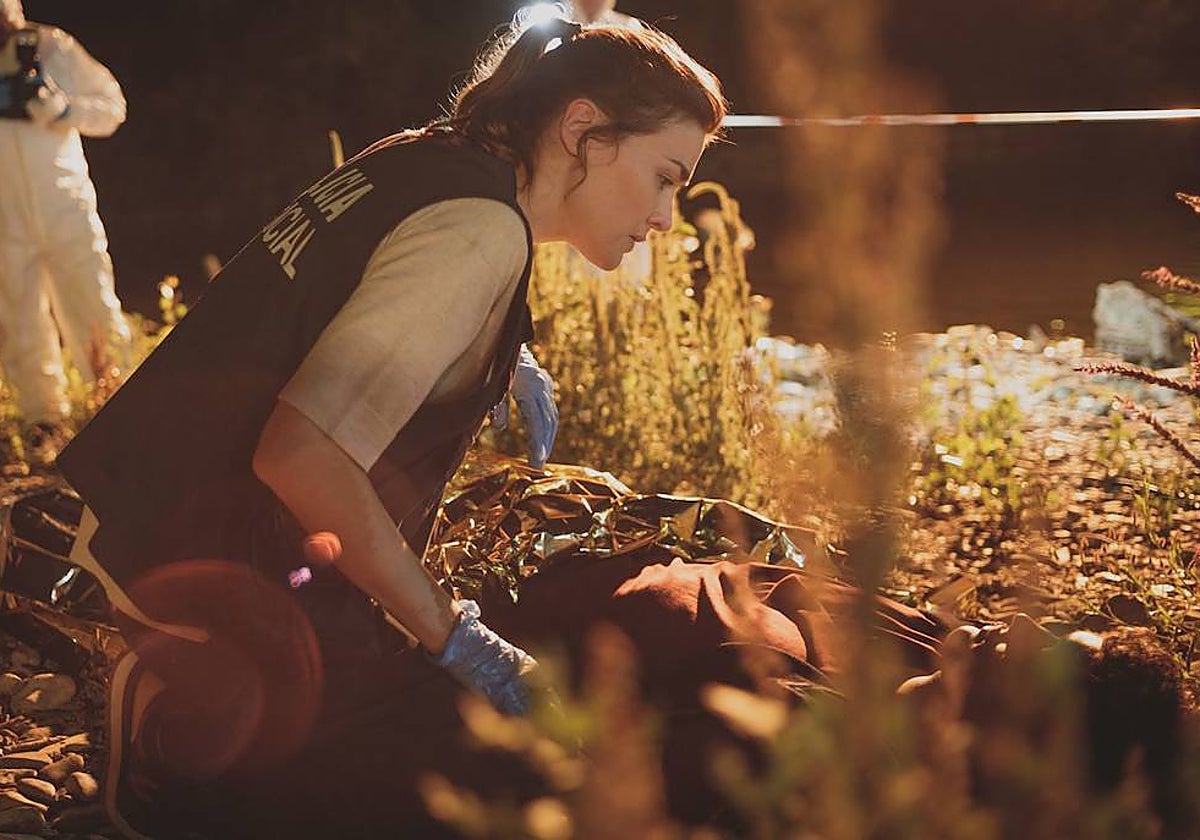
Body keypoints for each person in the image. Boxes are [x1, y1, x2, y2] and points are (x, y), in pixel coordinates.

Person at [56, 10, 727, 838]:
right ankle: (183, 721)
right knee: (508, 790)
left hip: (149, 504)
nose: (665, 217)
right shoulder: (481, 233)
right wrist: (455, 638)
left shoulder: (433, 153)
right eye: (665, 176)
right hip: (210, 563)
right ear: (584, 128)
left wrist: (490, 349)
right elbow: (301, 455)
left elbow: (328, 298)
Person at [0, 0, 132, 463]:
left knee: (91, 300)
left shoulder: (53, 47)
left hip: (64, 204)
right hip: (4, 216)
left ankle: (118, 405)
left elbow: (113, 107)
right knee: (20, 318)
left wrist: (62, 108)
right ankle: (45, 424)